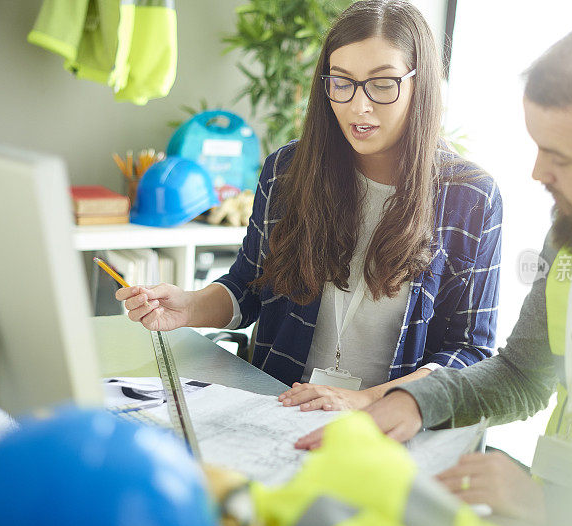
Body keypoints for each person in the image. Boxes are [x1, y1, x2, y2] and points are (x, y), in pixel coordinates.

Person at [297, 19, 572, 526]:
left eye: (559, 156)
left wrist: (557, 507)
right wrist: (412, 401)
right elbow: (523, 376)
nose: (537, 173)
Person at [116, 0, 501, 412]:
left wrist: (363, 401)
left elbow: (469, 351)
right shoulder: (288, 171)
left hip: (387, 432)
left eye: (383, 83)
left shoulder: (471, 197)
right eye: (341, 82)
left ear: (420, 83)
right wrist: (189, 306)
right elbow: (249, 286)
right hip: (280, 411)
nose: (359, 106)